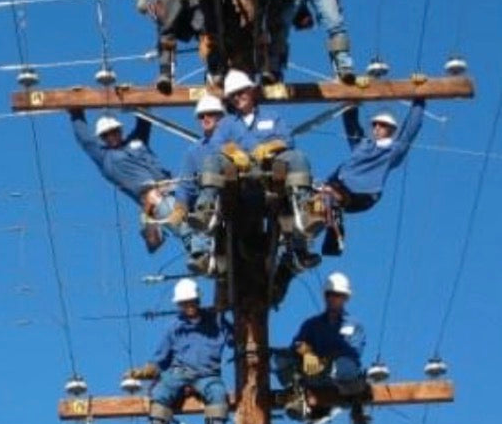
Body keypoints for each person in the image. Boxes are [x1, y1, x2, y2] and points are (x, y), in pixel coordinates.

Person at [189, 69, 323, 270]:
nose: (237, 98)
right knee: (212, 161)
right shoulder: (226, 124)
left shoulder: (271, 117)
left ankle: (305, 209)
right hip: (239, 172)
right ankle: (205, 209)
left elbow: (288, 140)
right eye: (233, 95)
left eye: (241, 92)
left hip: (270, 167)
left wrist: (270, 147)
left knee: (298, 157)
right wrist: (232, 151)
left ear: (251, 92)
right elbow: (216, 144)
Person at [125, 278, 233, 424]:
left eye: (190, 302)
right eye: (184, 303)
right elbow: (160, 360)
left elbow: (236, 340)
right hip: (179, 372)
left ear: (198, 300)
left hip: (208, 374)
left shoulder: (216, 320)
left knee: (217, 393)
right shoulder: (174, 327)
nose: (188, 306)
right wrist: (144, 372)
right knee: (162, 391)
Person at [68, 109, 193, 257]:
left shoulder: (136, 141)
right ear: (102, 138)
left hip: (177, 188)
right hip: (156, 200)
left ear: (120, 130)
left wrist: (142, 101)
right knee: (186, 229)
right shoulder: (105, 157)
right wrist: (76, 114)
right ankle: (199, 250)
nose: (112, 136)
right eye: (106, 134)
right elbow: (86, 140)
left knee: (208, 207)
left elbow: (144, 120)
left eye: (115, 131)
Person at [275, 272, 369, 424]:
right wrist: (308, 353)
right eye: (330, 294)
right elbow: (297, 344)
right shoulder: (313, 324)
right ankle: (297, 397)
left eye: (338, 295)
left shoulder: (354, 325)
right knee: (282, 358)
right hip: (315, 374)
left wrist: (327, 360)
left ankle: (352, 405)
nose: (333, 298)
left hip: (340, 377)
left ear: (345, 298)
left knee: (344, 365)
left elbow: (354, 353)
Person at [324, 100, 425, 214]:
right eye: (374, 124)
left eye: (382, 125)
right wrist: (351, 102)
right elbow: (351, 123)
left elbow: (411, 127)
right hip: (339, 184)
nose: (377, 127)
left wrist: (419, 100)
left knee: (330, 198)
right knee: (317, 197)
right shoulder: (362, 144)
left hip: (363, 195)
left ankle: (331, 208)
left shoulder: (393, 151)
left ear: (392, 129)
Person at [175, 93, 226, 274]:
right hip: (204, 207)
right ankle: (200, 255)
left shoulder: (233, 143)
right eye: (201, 116)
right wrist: (180, 206)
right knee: (184, 222)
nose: (205, 118)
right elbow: (185, 184)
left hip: (230, 198)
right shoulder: (194, 151)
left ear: (221, 116)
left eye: (210, 114)